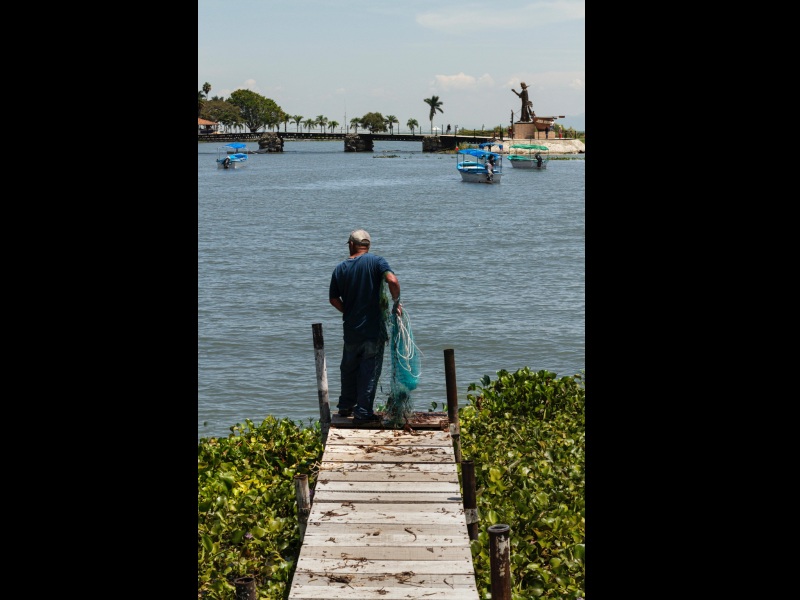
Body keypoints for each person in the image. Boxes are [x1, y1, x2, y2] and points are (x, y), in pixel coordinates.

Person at [329, 229, 401, 424]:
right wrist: (396, 302)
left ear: (351, 245)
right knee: (369, 371)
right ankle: (362, 413)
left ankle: (345, 406)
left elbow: (333, 299)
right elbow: (392, 280)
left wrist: (348, 311)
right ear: (367, 246)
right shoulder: (377, 262)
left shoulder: (340, 268)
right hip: (373, 331)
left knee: (349, 367)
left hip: (351, 330)